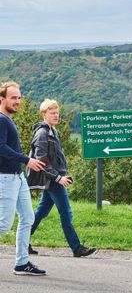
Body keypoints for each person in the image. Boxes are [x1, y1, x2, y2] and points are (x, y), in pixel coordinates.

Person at [28, 99, 96, 258]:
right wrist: (58, 178)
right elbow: (42, 160)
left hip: (54, 178)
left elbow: (55, 159)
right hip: (52, 180)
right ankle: (77, 248)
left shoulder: (53, 132)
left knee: (40, 212)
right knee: (66, 212)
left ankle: (23, 241)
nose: (56, 115)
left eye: (57, 112)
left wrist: (62, 175)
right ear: (44, 114)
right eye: (52, 113)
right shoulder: (42, 133)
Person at [0, 81, 47, 275]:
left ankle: (22, 263)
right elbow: (1, 148)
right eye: (13, 98)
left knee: (28, 217)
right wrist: (27, 160)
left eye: (19, 97)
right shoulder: (1, 120)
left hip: (18, 178)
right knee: (3, 225)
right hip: (5, 178)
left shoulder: (8, 119)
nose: (18, 101)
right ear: (1, 99)